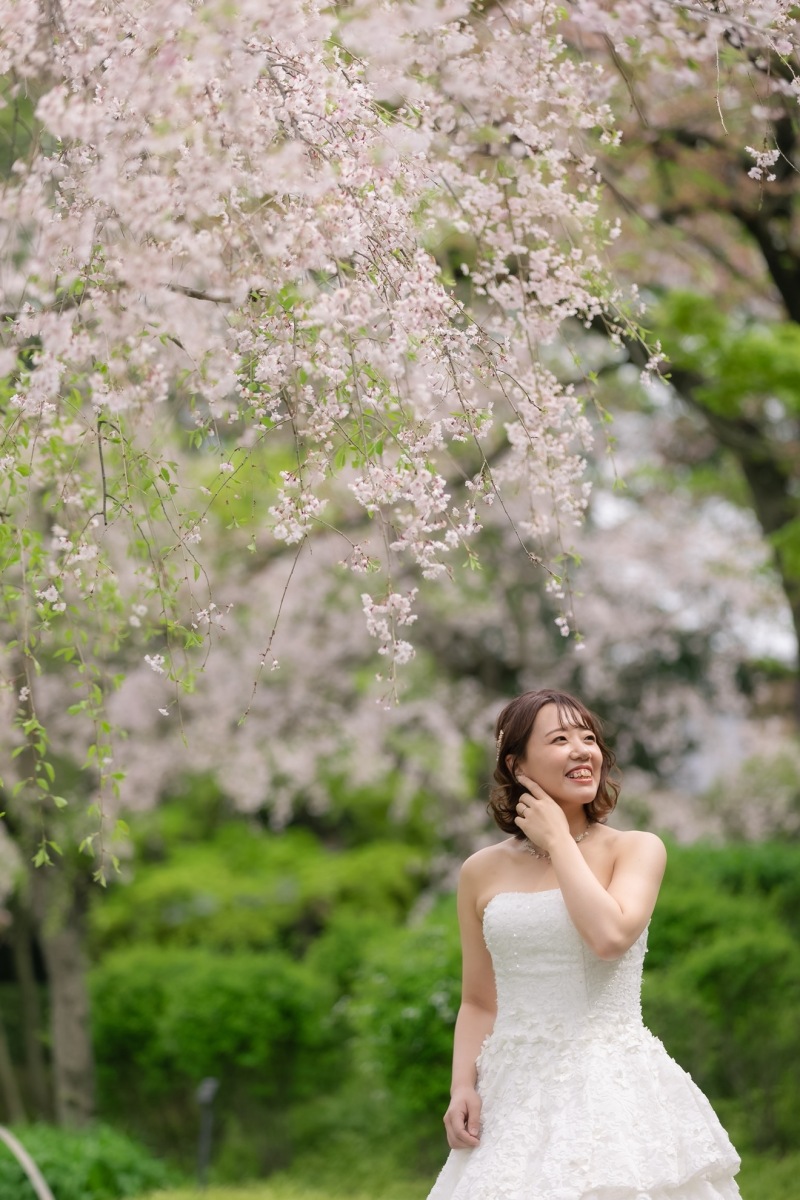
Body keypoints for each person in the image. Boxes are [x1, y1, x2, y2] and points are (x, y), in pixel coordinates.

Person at [426, 688, 741, 1200]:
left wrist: (557, 842)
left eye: (588, 738)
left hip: (611, 1090)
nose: (581, 750)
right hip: (512, 1096)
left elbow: (609, 937)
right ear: (517, 764)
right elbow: (479, 1001)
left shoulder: (636, 849)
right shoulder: (479, 871)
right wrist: (463, 1085)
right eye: (560, 739)